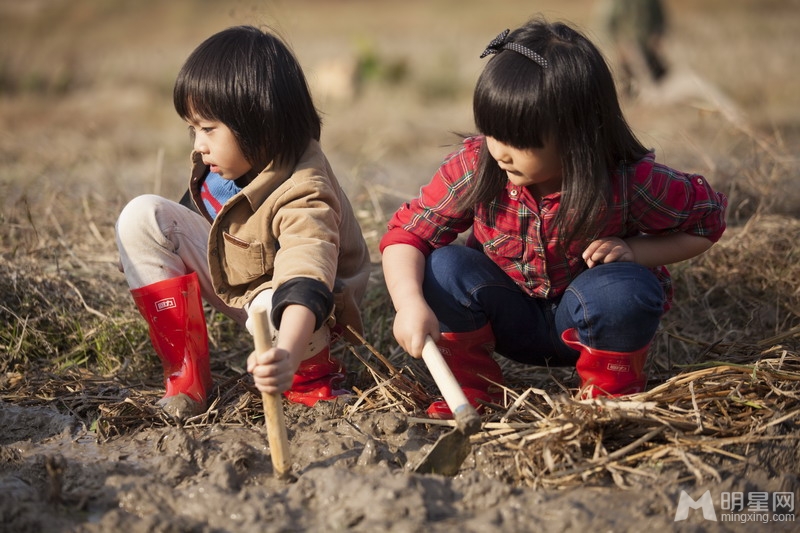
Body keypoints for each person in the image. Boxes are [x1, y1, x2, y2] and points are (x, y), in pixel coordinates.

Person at [379, 18, 727, 419]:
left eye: (521, 141)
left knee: (625, 288)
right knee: (442, 266)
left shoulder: (627, 180)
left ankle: (607, 397)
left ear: (578, 135)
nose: (502, 152)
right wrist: (408, 304)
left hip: (588, 320)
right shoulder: (477, 166)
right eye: (494, 132)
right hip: (507, 316)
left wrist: (635, 250)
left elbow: (706, 223)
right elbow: (407, 234)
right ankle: (474, 390)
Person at [115, 26, 371, 420]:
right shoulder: (230, 160)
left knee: (275, 306)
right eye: (193, 129)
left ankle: (309, 376)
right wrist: (145, 252)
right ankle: (187, 380)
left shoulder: (305, 190)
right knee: (142, 217)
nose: (197, 144)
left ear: (259, 125)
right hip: (250, 284)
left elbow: (307, 278)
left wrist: (284, 351)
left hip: (307, 314)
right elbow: (194, 219)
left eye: (208, 129)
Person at [604, 0, 669, 96]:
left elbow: (660, 21)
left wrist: (657, 37)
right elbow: (606, 27)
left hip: (648, 48)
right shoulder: (614, 3)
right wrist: (617, 47)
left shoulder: (652, 2)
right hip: (625, 48)